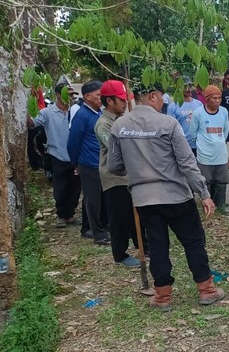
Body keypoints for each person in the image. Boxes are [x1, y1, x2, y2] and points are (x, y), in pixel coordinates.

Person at [107, 82, 224, 310]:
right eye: (162, 97)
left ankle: (162, 296)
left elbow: (114, 166)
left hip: (144, 199)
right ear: (152, 96)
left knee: (157, 245)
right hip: (176, 195)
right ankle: (207, 290)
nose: (164, 102)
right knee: (193, 242)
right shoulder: (168, 123)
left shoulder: (119, 126)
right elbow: (187, 162)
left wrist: (137, 169)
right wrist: (204, 193)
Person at [95, 80, 143, 268]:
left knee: (135, 214)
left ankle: (143, 246)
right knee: (119, 217)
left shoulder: (122, 120)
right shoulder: (103, 124)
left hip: (129, 175)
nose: (125, 103)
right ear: (109, 101)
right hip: (114, 178)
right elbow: (116, 149)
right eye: (121, 100)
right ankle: (120, 255)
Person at [28, 83, 80, 228]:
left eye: (71, 95)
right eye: (67, 94)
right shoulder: (47, 112)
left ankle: (70, 214)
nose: (70, 97)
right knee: (60, 188)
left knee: (75, 187)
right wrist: (27, 108)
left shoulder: (75, 112)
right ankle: (61, 215)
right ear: (57, 95)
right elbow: (32, 124)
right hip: (57, 155)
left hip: (75, 157)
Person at [68, 80, 110, 245]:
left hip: (101, 163)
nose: (102, 98)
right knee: (93, 200)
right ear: (87, 96)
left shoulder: (98, 113)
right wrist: (77, 164)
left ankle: (103, 226)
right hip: (89, 164)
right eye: (98, 95)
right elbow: (72, 142)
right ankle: (97, 233)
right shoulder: (82, 115)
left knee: (102, 198)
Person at [192, 85, 229, 214]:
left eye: (219, 98)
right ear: (207, 99)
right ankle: (208, 205)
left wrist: (218, 142)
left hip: (220, 153)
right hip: (204, 153)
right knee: (206, 180)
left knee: (221, 180)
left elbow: (225, 131)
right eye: (214, 98)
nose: (217, 101)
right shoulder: (198, 113)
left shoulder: (224, 112)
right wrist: (203, 144)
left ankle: (221, 204)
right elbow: (193, 133)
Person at [167, 78, 202, 156]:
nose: (188, 89)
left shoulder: (199, 104)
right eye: (185, 86)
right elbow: (170, 127)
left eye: (190, 86)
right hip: (182, 145)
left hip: (198, 144)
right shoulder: (173, 106)